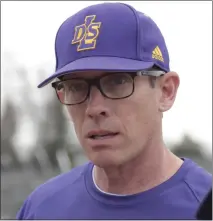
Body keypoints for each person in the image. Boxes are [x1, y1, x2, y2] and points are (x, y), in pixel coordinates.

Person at [16, 2, 212, 220]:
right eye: (76, 87)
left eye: (118, 81)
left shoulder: (203, 206)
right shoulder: (41, 208)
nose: (94, 108)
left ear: (166, 91)